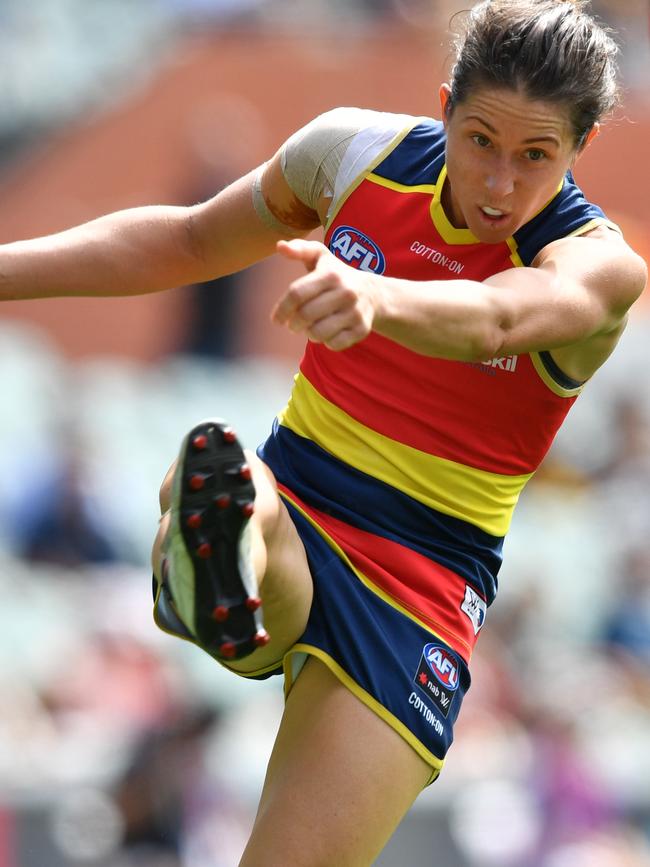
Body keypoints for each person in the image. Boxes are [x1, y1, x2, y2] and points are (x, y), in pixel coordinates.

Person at [2, 1, 647, 863]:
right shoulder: (353, 154)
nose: (500, 183)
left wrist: (377, 297)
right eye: (482, 140)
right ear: (445, 104)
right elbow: (190, 238)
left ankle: (216, 577)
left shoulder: (601, 267)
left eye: (536, 157)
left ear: (580, 150)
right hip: (300, 497)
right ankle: (223, 555)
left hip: (425, 586)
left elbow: (499, 316)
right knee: (229, 473)